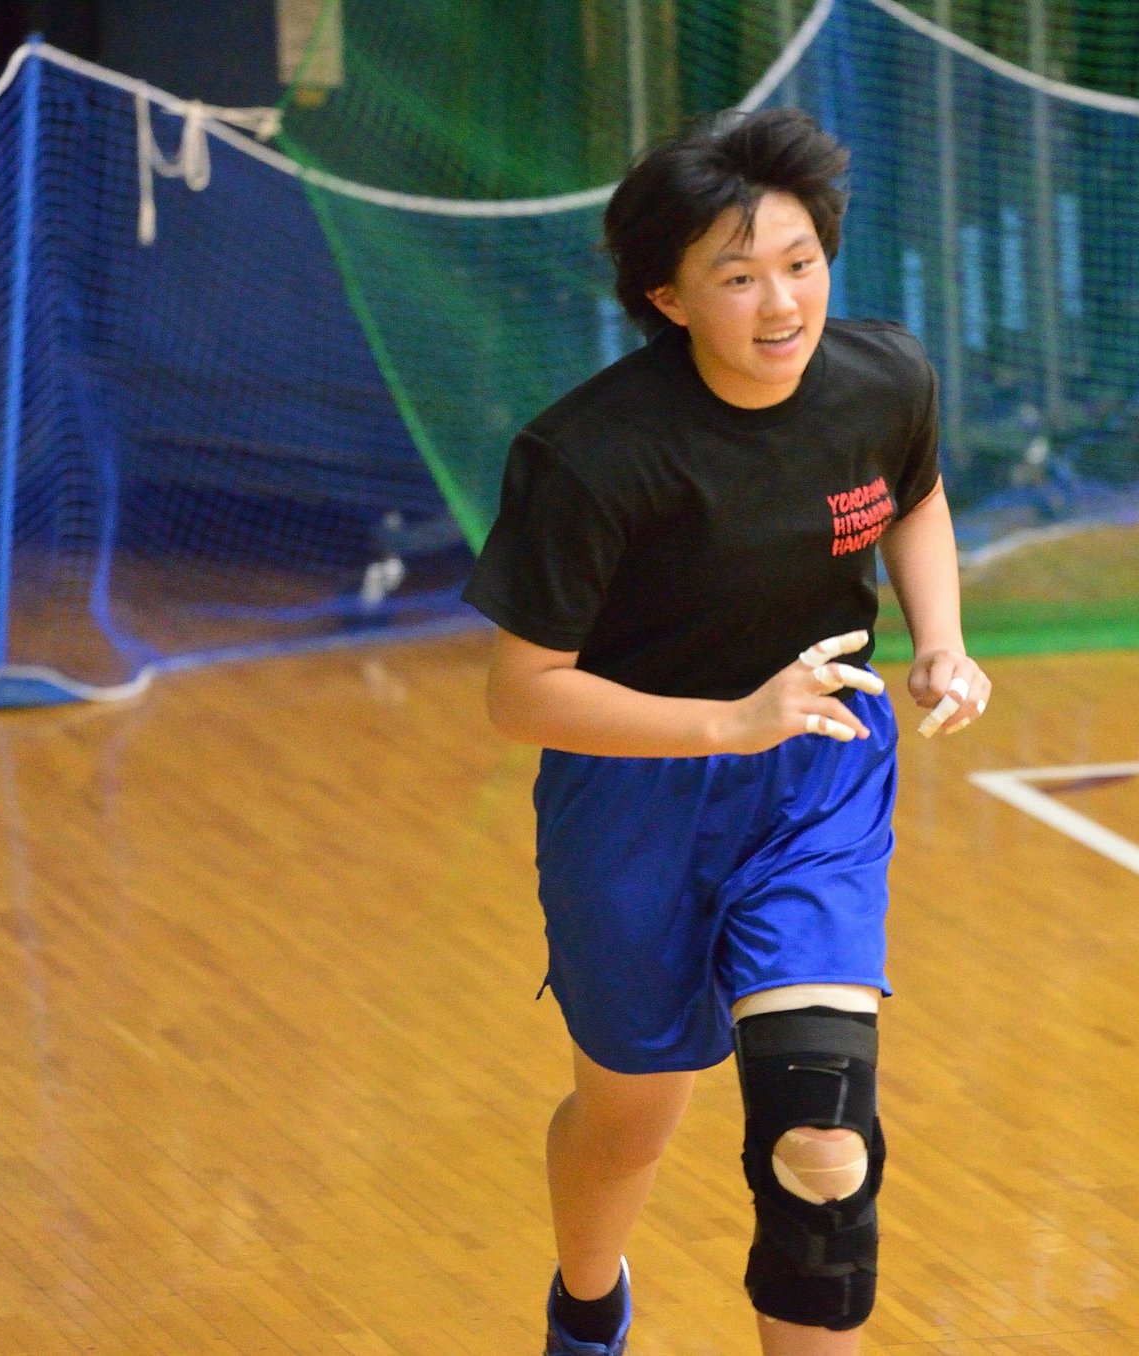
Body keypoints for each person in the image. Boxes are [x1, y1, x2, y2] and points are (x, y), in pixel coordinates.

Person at [464, 106, 990, 1356]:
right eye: (739, 276)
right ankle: (586, 1308)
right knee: (629, 1119)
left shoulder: (882, 381)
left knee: (820, 1140)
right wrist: (728, 721)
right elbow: (520, 693)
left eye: (801, 263)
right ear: (669, 297)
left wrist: (941, 639)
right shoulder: (590, 457)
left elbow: (914, 498)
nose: (782, 302)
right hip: (633, 798)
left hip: (817, 775)